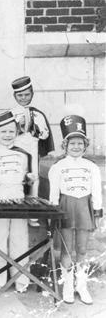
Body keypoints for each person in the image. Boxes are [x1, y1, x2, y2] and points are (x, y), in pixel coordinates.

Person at [0, 111, 36, 293]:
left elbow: (26, 177)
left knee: (20, 239)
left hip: (19, 200)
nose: (8, 135)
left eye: (11, 132)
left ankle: (21, 281)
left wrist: (29, 178)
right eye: (3, 132)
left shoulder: (24, 154)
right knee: (0, 240)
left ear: (16, 133)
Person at [48, 115, 103, 305]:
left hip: (84, 208)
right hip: (65, 208)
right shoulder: (58, 167)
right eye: (72, 143)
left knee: (81, 248)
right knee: (66, 248)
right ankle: (68, 286)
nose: (76, 147)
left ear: (85, 145)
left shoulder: (91, 167)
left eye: (80, 143)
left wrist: (97, 211)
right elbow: (54, 193)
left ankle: (82, 285)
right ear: (65, 145)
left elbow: (96, 191)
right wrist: (53, 213)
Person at [10, 76, 54, 227]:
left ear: (32, 94)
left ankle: (32, 215)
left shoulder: (38, 114)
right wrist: (17, 126)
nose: (23, 98)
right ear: (14, 96)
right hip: (16, 150)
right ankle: (16, 212)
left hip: (33, 150)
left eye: (27, 94)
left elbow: (46, 134)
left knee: (33, 180)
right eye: (20, 95)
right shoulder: (11, 114)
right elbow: (1, 133)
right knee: (17, 178)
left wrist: (37, 128)